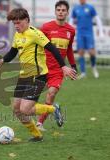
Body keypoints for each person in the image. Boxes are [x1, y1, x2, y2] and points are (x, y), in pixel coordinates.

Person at [0, 8, 77, 142]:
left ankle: (53, 109)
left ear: (27, 21)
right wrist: (2, 60)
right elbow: (13, 52)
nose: (16, 26)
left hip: (37, 76)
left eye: (19, 23)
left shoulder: (35, 34)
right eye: (14, 23)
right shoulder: (17, 35)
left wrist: (63, 66)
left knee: (25, 109)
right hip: (24, 75)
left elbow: (52, 48)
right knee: (16, 109)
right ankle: (37, 135)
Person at [36, 0, 77, 131]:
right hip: (43, 67)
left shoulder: (71, 30)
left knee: (51, 93)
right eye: (58, 10)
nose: (61, 12)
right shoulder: (46, 27)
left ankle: (40, 123)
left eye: (63, 10)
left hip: (58, 69)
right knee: (30, 101)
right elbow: (37, 43)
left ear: (67, 12)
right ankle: (54, 108)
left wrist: (73, 66)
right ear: (55, 12)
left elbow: (69, 49)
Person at [70, 0, 104, 79]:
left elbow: (97, 19)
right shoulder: (76, 8)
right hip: (80, 34)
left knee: (92, 52)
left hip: (89, 33)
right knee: (81, 52)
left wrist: (101, 32)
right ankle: (83, 72)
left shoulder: (90, 7)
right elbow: (71, 19)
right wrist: (70, 30)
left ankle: (93, 66)